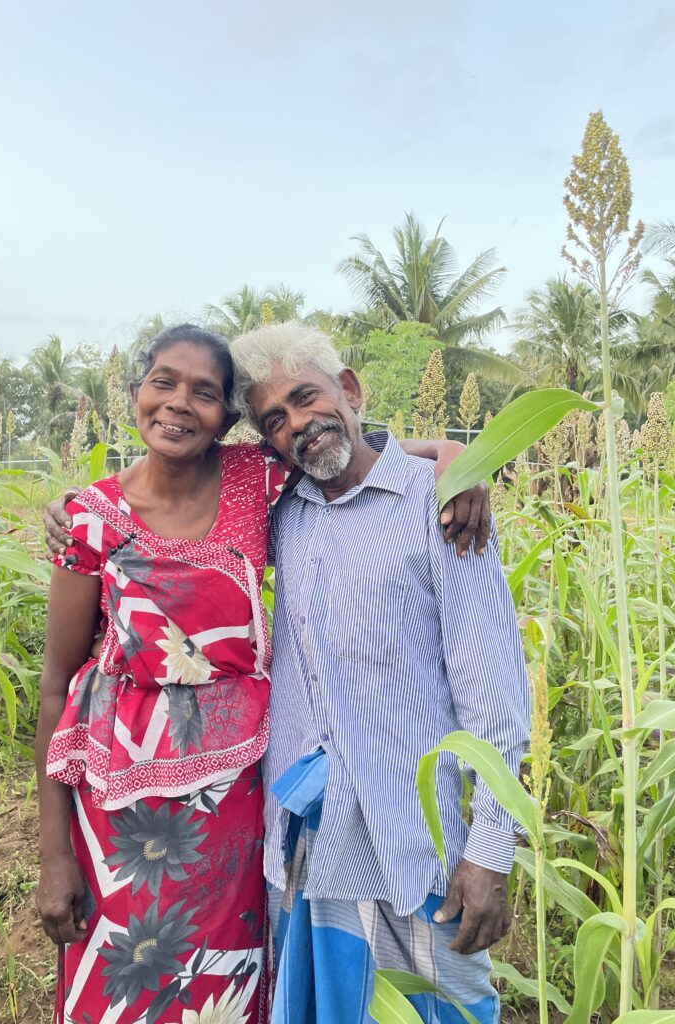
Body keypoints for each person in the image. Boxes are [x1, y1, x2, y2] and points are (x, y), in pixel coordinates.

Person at [37, 323, 490, 1024]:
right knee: (122, 987)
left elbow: (353, 454)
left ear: (226, 420)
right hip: (119, 812)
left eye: (205, 393)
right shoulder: (90, 519)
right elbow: (55, 684)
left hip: (240, 810)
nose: (179, 404)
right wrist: (53, 855)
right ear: (135, 393)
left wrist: (457, 456)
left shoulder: (254, 481)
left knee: (231, 985)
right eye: (163, 382)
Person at [228, 321, 530, 1024]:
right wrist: (76, 511)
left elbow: (493, 695)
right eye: (275, 420)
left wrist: (489, 851)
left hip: (412, 848)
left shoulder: (441, 501)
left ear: (352, 391)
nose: (298, 424)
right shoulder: (282, 513)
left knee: (439, 1009)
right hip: (307, 837)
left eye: (307, 398)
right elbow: (174, 488)